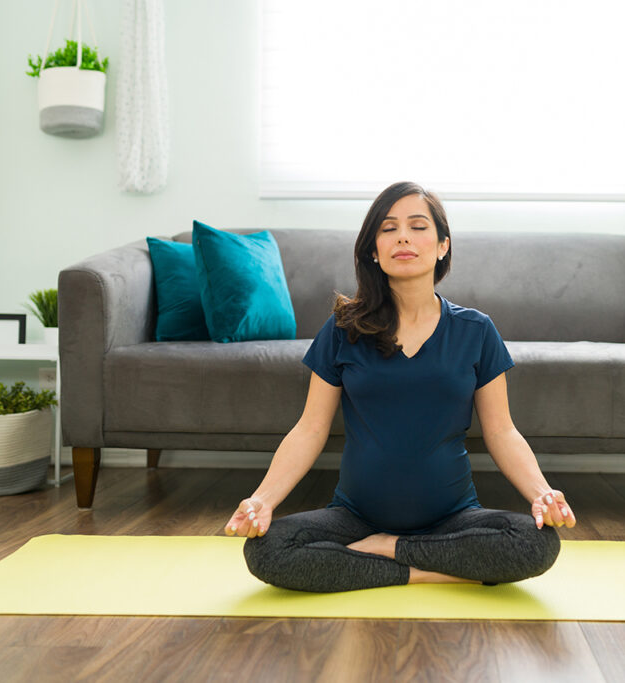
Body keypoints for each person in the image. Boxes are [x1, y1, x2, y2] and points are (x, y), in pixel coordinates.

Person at [225, 181, 575, 593]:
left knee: (536, 544)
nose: (403, 236)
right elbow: (310, 429)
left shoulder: (476, 330)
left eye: (418, 226)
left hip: (454, 519)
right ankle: (428, 568)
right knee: (266, 551)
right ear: (374, 250)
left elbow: (501, 431)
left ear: (443, 245)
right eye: (388, 228)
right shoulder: (343, 329)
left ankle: (385, 551)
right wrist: (262, 500)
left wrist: (541, 493)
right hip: (355, 518)